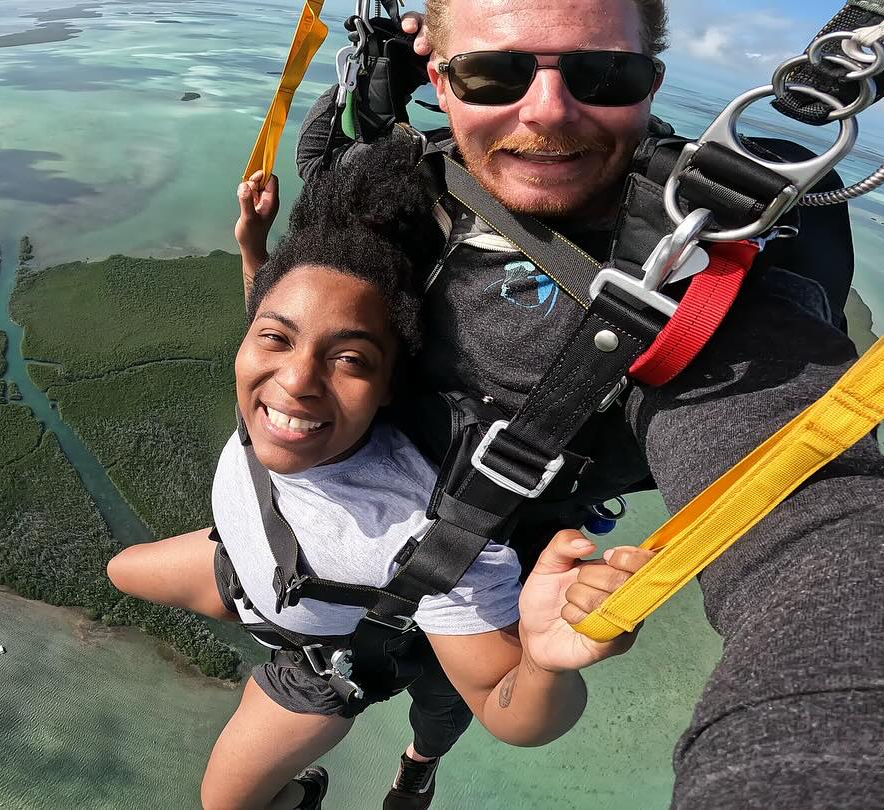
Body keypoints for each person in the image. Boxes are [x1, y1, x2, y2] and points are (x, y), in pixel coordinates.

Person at [234, 0, 884, 807]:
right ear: (439, 76)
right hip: (354, 542)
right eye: (492, 73)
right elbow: (313, 265)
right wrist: (273, 231)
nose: (545, 111)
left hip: (487, 590)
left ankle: (417, 766)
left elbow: (816, 523)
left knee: (439, 708)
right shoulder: (400, 182)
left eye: (603, 74)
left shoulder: (695, 273)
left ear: (651, 87)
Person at [108, 145, 659, 810]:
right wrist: (253, 242)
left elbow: (508, 711)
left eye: (349, 359)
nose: (295, 383)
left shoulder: (417, 534)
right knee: (120, 571)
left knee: (225, 806)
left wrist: (542, 662)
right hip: (251, 566)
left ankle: (348, 780)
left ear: (389, 386)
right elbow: (273, 311)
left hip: (319, 663)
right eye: (275, 339)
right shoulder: (275, 393)